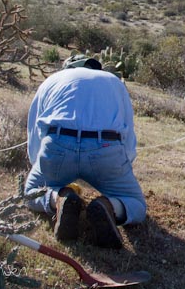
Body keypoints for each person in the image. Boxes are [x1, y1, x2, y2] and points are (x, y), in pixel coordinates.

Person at [24, 54, 146, 248]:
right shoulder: (114, 81)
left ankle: (59, 198)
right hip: (105, 148)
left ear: (67, 67)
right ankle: (109, 206)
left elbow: (35, 129)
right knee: (136, 204)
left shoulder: (52, 80)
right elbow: (127, 130)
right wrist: (123, 167)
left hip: (58, 146)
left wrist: (38, 165)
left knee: (30, 192)